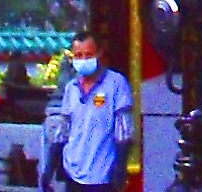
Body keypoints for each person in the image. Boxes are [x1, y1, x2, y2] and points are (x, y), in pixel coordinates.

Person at [43, 32, 135, 192]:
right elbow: (62, 132)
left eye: (88, 55)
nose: (83, 60)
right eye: (78, 55)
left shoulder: (116, 84)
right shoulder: (71, 88)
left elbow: (124, 132)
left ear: (99, 53)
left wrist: (120, 168)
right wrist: (48, 170)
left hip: (102, 175)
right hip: (72, 173)